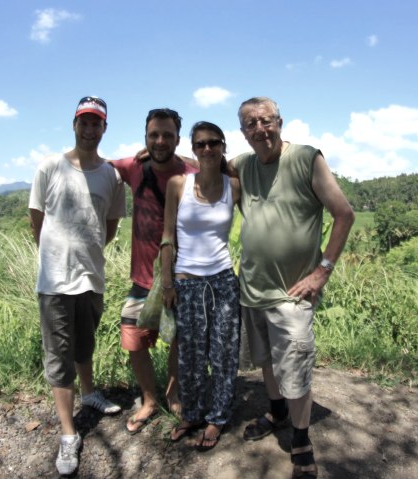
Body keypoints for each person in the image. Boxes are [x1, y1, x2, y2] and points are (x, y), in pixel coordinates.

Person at [230, 97, 355, 479]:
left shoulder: (305, 158)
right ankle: (278, 412)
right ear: (243, 132)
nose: (259, 129)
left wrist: (322, 272)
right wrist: (152, 155)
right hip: (252, 287)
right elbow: (202, 160)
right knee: (266, 360)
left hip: (293, 293)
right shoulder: (242, 164)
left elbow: (344, 214)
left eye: (266, 121)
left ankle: (300, 439)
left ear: (279, 122)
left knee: (295, 366)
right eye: (251, 124)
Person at [29, 96, 126, 476]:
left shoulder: (111, 176)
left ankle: (90, 395)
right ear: (74, 125)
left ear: (104, 128)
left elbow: (111, 226)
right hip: (54, 280)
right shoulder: (50, 167)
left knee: (86, 342)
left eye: (96, 123)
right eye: (83, 122)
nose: (89, 129)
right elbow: (36, 218)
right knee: (59, 355)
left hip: (91, 275)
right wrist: (54, 255)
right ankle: (69, 434)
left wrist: (85, 254)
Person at [110, 108, 199, 433]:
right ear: (145, 137)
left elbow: (222, 169)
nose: (160, 141)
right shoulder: (134, 166)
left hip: (181, 276)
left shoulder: (191, 172)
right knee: (135, 339)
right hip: (142, 278)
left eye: (167, 135)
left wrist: (186, 155)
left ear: (178, 138)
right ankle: (149, 399)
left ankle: (173, 395)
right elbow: (96, 164)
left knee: (177, 339)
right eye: (154, 135)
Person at [160, 121, 241, 451]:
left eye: (213, 143)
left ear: (223, 146)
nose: (207, 149)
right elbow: (168, 237)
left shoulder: (234, 185)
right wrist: (167, 283)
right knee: (190, 357)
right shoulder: (178, 184)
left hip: (223, 281)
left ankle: (217, 418)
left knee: (224, 354)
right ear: (192, 149)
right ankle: (192, 414)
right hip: (187, 283)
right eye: (200, 144)